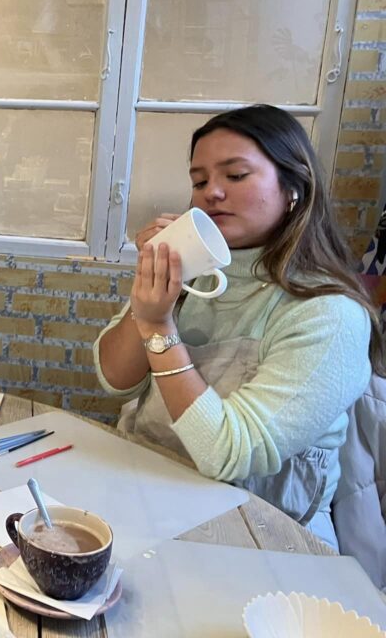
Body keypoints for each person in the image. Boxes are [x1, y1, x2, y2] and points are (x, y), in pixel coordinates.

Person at [93, 104, 383, 549]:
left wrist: (158, 327)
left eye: (235, 175)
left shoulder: (330, 313)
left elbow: (231, 453)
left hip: (265, 542)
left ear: (293, 188)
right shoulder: (193, 272)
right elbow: (114, 380)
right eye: (199, 180)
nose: (212, 193)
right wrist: (151, 288)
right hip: (148, 503)